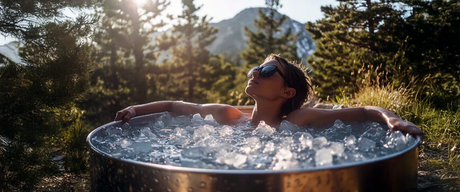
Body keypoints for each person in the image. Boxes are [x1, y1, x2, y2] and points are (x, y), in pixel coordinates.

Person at [115, 54, 423, 135]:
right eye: (255, 68)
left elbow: (365, 112)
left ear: (287, 91)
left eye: (266, 71)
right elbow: (173, 105)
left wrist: (393, 121)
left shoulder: (298, 119)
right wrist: (135, 109)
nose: (254, 74)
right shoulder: (228, 115)